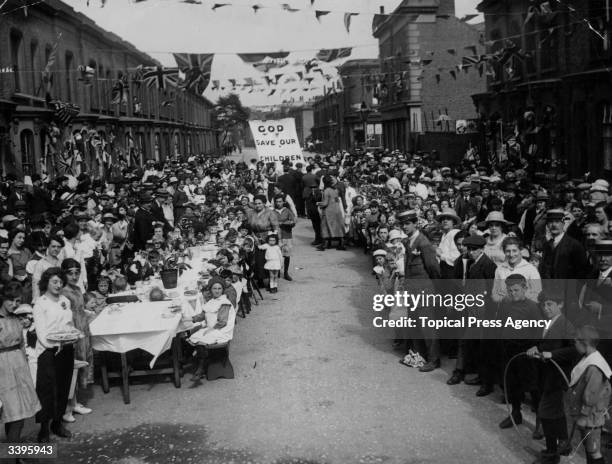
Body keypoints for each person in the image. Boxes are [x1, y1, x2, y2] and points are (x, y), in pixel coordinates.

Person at [526, 290, 577, 463]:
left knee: (546, 413)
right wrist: (535, 348)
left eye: (550, 304)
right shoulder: (545, 322)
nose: (546, 308)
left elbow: (574, 350)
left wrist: (552, 355)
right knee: (555, 411)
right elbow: (542, 343)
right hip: (544, 375)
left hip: (557, 377)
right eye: (543, 304)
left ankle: (551, 453)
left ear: (560, 304)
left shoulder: (566, 325)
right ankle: (564, 442)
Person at [33, 267, 76, 442]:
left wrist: (72, 335)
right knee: (47, 390)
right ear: (47, 283)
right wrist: (55, 344)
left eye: (60, 282)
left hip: (66, 348)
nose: (58, 285)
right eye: (54, 282)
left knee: (64, 387)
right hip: (48, 351)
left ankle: (57, 424)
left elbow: (69, 324)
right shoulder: (40, 303)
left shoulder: (65, 300)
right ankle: (43, 428)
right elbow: (41, 333)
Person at [498, 274, 541, 430]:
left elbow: (538, 331)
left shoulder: (533, 307)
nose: (513, 293)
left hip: (526, 352)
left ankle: (539, 422)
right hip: (509, 350)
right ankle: (516, 414)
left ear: (525, 288)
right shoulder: (505, 303)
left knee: (532, 386)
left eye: (516, 290)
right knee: (512, 384)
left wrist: (535, 347)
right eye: (510, 290)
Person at [0, 281, 41, 447]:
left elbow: (22, 343)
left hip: (19, 367)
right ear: (2, 298)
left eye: (18, 301)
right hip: (3, 369)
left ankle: (14, 455)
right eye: (11, 300)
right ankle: (12, 457)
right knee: (14, 416)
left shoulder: (15, 318)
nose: (14, 304)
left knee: (17, 415)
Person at [565, 325, 611, 464]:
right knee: (588, 446)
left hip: (590, 416)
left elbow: (591, 395)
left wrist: (584, 416)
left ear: (584, 343)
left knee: (594, 450)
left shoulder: (594, 367)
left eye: (575, 342)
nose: (574, 345)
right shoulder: (590, 357)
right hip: (591, 415)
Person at [59, 258, 93, 422]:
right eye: (70, 273)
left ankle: (76, 402)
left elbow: (80, 309)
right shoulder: (63, 291)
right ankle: (66, 408)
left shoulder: (77, 289)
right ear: (64, 274)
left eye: (77, 273)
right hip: (73, 331)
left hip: (83, 328)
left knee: (81, 364)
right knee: (72, 368)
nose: (74, 276)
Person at [188, 278, 236, 380]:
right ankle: (201, 362)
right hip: (212, 328)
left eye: (219, 288)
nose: (217, 291)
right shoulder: (212, 301)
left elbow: (222, 322)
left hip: (221, 330)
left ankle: (201, 367)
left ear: (222, 290)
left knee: (202, 339)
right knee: (193, 335)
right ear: (211, 290)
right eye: (214, 288)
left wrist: (212, 329)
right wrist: (191, 319)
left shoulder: (224, 302)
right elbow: (203, 315)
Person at [317, 175, 346, 251]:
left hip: (329, 211)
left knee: (325, 226)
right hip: (337, 209)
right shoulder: (336, 190)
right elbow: (337, 200)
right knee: (338, 226)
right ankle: (342, 244)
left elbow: (325, 203)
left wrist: (318, 204)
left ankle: (325, 244)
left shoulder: (326, 191)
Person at [274, 194, 296, 281]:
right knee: (276, 254)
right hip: (276, 236)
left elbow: (293, 221)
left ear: (283, 202)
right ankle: (277, 271)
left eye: (280, 201)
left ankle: (286, 272)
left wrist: (283, 223)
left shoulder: (287, 211)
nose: (278, 203)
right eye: (277, 202)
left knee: (287, 255)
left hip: (287, 235)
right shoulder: (272, 211)